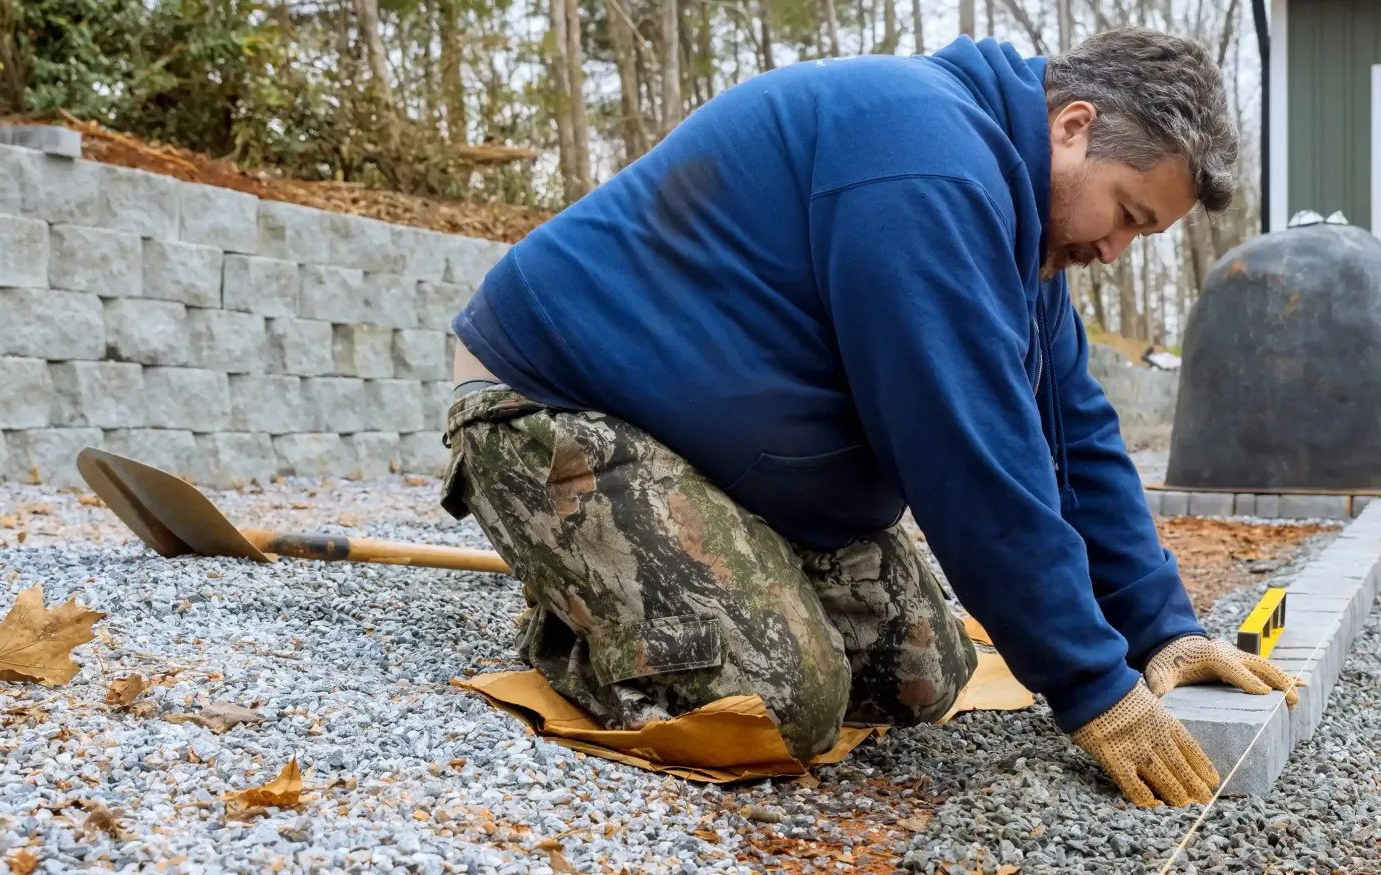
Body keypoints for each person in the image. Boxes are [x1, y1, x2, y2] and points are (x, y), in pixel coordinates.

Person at [439, 27, 1302, 808]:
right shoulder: (925, 165)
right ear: (1074, 126)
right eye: (1127, 214)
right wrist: (1095, 691)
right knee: (780, 703)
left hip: (691, 448)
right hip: (555, 408)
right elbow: (970, 458)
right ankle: (588, 615)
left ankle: (676, 586)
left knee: (925, 672)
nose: (1115, 250)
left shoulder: (1020, 232)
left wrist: (1162, 630)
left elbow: (1073, 431)